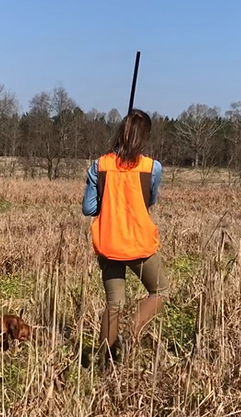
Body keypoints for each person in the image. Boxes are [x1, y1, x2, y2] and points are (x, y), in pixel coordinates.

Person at [81, 108, 169, 368]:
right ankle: (131, 333)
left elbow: (88, 208)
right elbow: (148, 201)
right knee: (160, 291)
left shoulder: (99, 166)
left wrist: (105, 194)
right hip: (140, 245)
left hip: (108, 244)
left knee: (114, 304)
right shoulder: (152, 168)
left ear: (121, 132)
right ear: (144, 137)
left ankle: (103, 363)